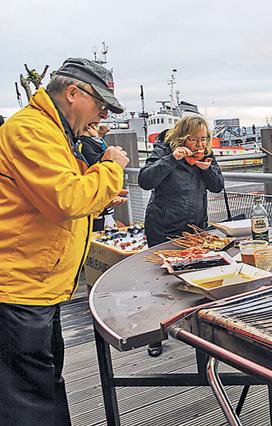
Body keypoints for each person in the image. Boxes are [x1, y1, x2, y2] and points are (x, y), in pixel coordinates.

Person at [0, 57, 129, 425]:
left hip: (38, 287)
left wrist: (100, 192)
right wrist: (111, 166)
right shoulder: (31, 131)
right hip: (18, 292)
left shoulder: (52, 131)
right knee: (30, 401)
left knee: (41, 385)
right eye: (101, 105)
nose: (102, 116)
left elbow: (49, 200)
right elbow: (67, 199)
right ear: (73, 93)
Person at [139, 115, 224, 356]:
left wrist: (206, 169)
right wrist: (170, 160)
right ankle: (155, 335)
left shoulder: (205, 154)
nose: (199, 144)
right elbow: (145, 180)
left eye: (203, 139)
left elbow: (217, 185)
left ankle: (200, 331)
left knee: (200, 281)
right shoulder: (164, 149)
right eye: (195, 139)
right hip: (163, 227)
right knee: (162, 283)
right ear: (182, 137)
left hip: (196, 228)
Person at [78, 123, 128, 230]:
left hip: (97, 206)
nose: (97, 129)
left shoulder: (92, 142)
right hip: (94, 208)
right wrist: (112, 162)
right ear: (88, 128)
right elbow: (95, 164)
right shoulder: (84, 143)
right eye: (95, 126)